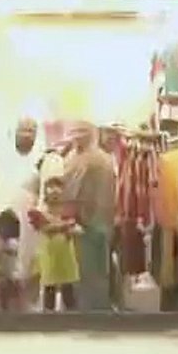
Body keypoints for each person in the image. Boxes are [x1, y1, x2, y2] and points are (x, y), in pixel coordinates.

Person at [0, 118, 50, 311]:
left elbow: (44, 191)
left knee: (28, 266)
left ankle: (27, 311)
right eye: (23, 130)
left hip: (29, 221)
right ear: (15, 132)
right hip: (1, 214)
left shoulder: (42, 157)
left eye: (31, 131)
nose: (27, 135)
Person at [62, 121, 117, 311]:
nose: (77, 137)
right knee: (79, 274)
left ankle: (93, 313)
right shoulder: (71, 158)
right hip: (77, 224)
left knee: (93, 274)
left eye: (81, 133)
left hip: (93, 224)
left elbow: (103, 193)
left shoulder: (99, 160)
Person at [31, 176, 81, 312]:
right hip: (49, 254)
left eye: (57, 190)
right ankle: (49, 315)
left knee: (68, 288)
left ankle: (71, 315)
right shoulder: (40, 213)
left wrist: (70, 228)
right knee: (50, 287)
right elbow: (44, 228)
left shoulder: (68, 212)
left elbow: (77, 229)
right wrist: (64, 226)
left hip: (66, 254)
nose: (54, 194)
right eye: (51, 189)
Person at [0, 209, 23, 312]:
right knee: (5, 295)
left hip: (11, 272)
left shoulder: (11, 242)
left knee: (12, 296)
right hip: (5, 272)